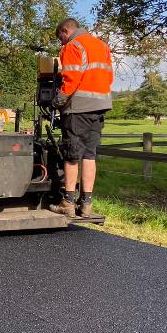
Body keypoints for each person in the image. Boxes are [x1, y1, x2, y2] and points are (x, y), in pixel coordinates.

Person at [48, 19, 113, 218]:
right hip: (99, 107)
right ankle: (86, 205)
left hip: (78, 110)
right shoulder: (101, 45)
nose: (61, 43)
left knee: (71, 155)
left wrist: (57, 101)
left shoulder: (73, 46)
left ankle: (68, 202)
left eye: (61, 37)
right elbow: (109, 76)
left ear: (66, 31)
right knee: (89, 155)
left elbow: (71, 79)